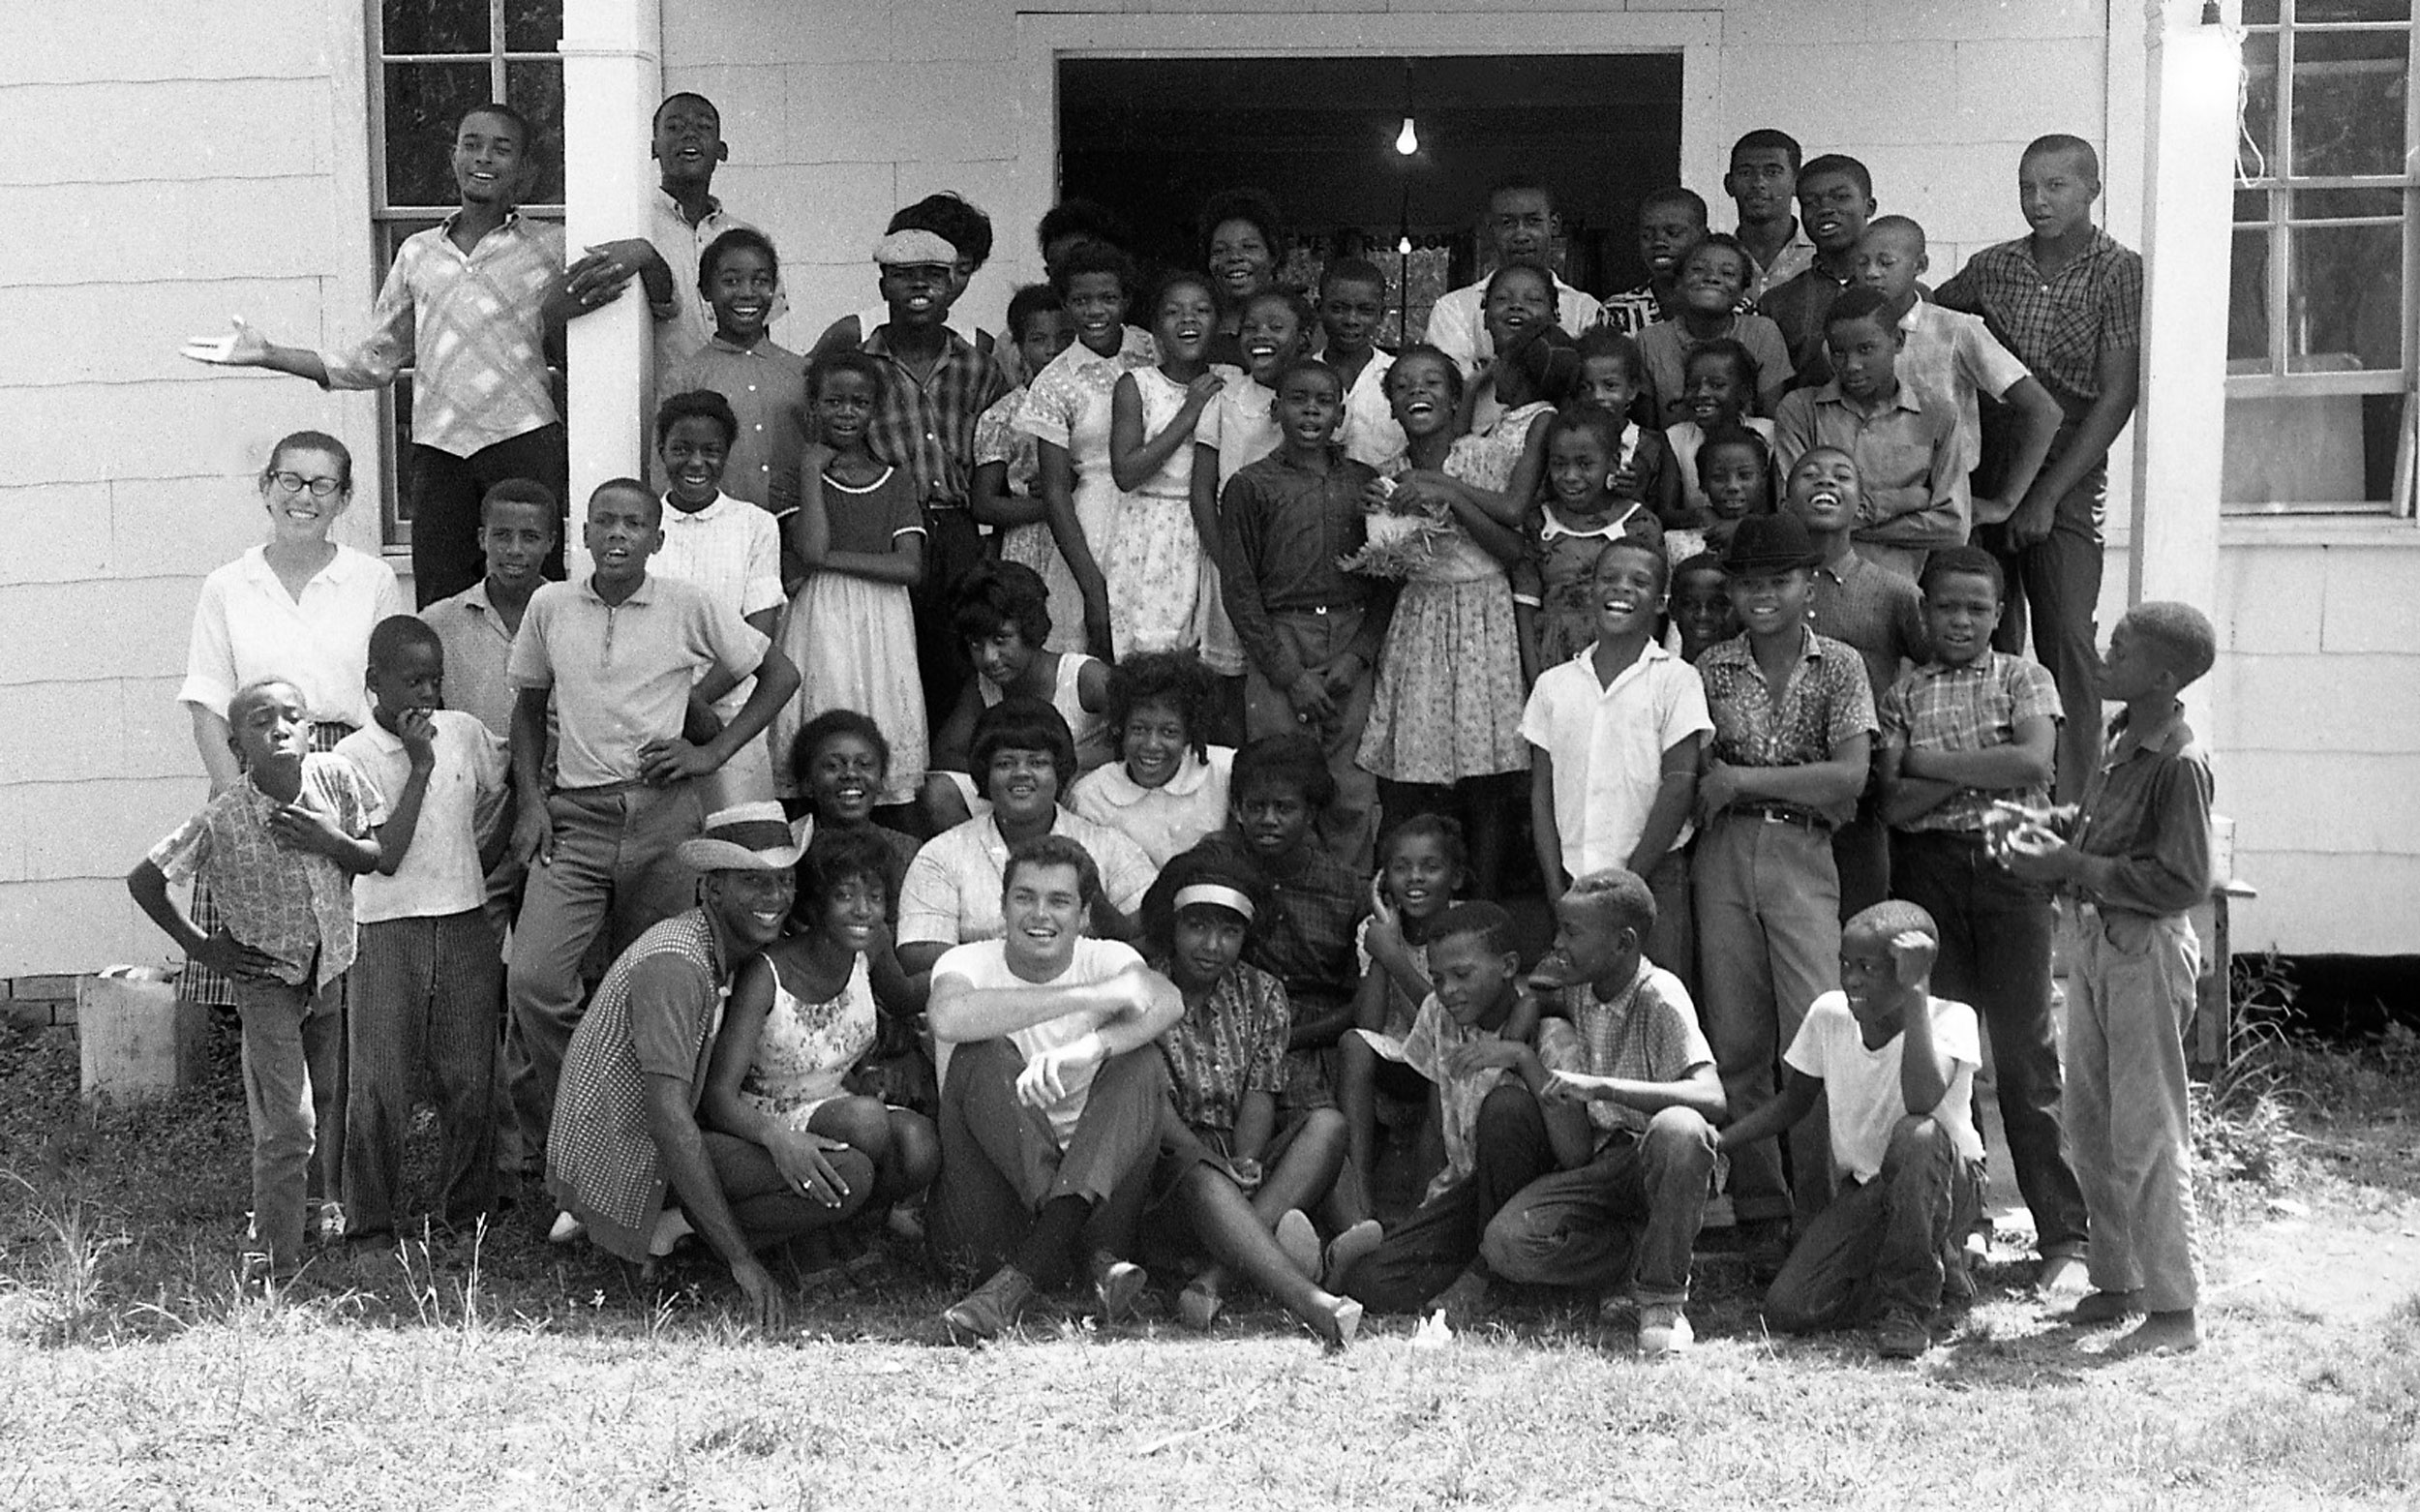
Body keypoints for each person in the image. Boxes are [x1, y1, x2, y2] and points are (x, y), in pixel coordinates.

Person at [182, 104, 643, 602]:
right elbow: (372, 361)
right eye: (472, 144)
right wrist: (268, 353)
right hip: (441, 453)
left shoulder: (553, 247)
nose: (483, 157)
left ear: (525, 169)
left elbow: (625, 273)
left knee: (535, 598)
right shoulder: (418, 253)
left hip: (523, 442)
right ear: (454, 158)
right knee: (442, 602)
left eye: (501, 148)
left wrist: (643, 250)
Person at [503, 479, 802, 1164]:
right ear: (582, 535)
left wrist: (710, 752)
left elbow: (779, 674)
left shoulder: (687, 605)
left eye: (633, 524)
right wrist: (528, 800)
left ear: (656, 540)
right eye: (604, 522)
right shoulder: (551, 607)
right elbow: (526, 710)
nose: (617, 535)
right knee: (537, 983)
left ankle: (654, 1156)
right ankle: (588, 1136)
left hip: (665, 819)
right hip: (575, 819)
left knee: (661, 994)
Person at [545, 806, 876, 1327]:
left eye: (784, 882)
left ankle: (676, 1228)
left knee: (837, 1167)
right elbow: (667, 1119)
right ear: (713, 889)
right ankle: (688, 1242)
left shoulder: (731, 948)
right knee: (848, 1175)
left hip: (656, 1139)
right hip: (626, 1153)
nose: (774, 899)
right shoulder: (678, 963)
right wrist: (743, 1261)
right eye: (754, 882)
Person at [1996, 600, 2217, 1355]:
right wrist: (2051, 829)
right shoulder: (2127, 738)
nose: (2101, 649)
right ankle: (2116, 1278)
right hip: (2095, 942)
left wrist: (2072, 867)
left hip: (2145, 951)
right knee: (2089, 1119)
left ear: (2162, 676)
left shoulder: (2179, 763)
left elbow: (2184, 880)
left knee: (2148, 1129)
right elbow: (2104, 828)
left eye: (2119, 646)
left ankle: (2173, 1306)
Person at [128, 678, 388, 1283]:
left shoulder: (338, 779)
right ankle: (272, 1257)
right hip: (266, 977)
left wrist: (332, 839)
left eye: (291, 717)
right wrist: (202, 947)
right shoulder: (224, 817)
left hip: (329, 965)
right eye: (260, 720)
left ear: (308, 728)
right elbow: (145, 880)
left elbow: (373, 855)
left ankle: (326, 1210)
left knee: (329, 1097)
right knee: (289, 1122)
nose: (278, 728)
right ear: (237, 742)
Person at [1878, 547, 2089, 1290]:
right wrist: (1980, 761)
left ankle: (2065, 1237)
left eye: (1977, 608)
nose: (1961, 620)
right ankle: (1964, 1227)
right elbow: (1893, 804)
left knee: (2027, 1053)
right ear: (1924, 612)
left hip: (2013, 869)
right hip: (1930, 871)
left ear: (2000, 615)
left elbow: (2032, 765)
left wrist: (1930, 764)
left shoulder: (2025, 678)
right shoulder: (1905, 691)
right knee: (1950, 1052)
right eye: (1946, 607)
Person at [1693, 512, 1877, 1269]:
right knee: (1737, 1035)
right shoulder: (1710, 667)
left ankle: (1820, 1206)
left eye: (1778, 582)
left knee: (1815, 1028)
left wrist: (1745, 779)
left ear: (1809, 586)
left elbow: (1851, 777)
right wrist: (1762, 785)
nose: (1761, 596)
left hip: (1804, 854)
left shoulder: (1840, 665)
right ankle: (1761, 1207)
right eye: (1746, 584)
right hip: (1725, 850)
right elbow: (1701, 776)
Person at [1936, 135, 2144, 804]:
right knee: (1982, 625)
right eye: (2028, 185)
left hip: (2068, 463)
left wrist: (2047, 496)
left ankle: (2069, 805)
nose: (2038, 200)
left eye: (2056, 186)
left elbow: (2117, 395)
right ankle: (1986, 792)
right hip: (1988, 456)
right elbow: (1930, 321)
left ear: (2092, 189)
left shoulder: (2120, 272)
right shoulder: (1991, 268)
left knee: (2064, 637)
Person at [177, 432, 407, 1021]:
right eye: (290, 481)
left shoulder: (372, 580)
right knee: (267, 970)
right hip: (253, 771)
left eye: (323, 484)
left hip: (343, 772)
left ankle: (342, 1103)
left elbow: (385, 693)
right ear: (266, 488)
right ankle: (277, 1104)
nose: (305, 496)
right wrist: (241, 810)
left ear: (345, 497)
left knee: (341, 965)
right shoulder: (227, 585)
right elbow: (207, 706)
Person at [925, 835, 1183, 1339]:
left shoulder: (1107, 955)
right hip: (992, 1220)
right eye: (1024, 897)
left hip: (1096, 1198)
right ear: (1002, 906)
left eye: (1058, 900)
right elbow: (948, 1016)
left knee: (1142, 1062)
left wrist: (1090, 1047)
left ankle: (1016, 1285)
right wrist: (1082, 998)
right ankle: (1075, 1254)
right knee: (982, 1052)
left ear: (1084, 913)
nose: (1039, 913)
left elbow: (1168, 1003)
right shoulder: (966, 964)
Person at [1722, 902, 1985, 1358]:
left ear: (1912, 972)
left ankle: (1910, 1306)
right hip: (1869, 1191)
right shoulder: (1830, 1014)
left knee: (1918, 1134)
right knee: (1789, 1308)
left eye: (1869, 968)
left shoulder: (1951, 1018)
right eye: (1845, 964)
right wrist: (1722, 1142)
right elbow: (1793, 1102)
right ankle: (1933, 1266)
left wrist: (1916, 996)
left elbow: (1922, 1100)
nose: (1851, 980)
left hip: (1948, 1184)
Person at [1487, 871, 1726, 1354]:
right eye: (1560, 928)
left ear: (1624, 944)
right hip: (1605, 1160)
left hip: (1660, 1157)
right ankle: (1634, 1257)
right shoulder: (1582, 983)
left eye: (1572, 932)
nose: (1557, 942)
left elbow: (1712, 1098)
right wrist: (1531, 1004)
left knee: (1680, 1128)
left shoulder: (1660, 995)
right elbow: (1540, 987)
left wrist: (1601, 1086)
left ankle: (1661, 1303)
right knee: (1506, 1243)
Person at [1140, 847, 1367, 1346]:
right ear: (1172, 926)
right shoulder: (1141, 984)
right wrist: (1207, 1160)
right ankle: (1311, 1298)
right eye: (1197, 927)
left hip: (1236, 1156)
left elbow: (1260, 1090)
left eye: (1229, 932)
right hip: (1171, 1165)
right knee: (1201, 1179)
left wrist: (1244, 1159)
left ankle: (1216, 1278)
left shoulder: (1263, 993)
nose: (1212, 945)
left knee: (1327, 1125)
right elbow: (1150, 1102)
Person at [333, 617, 510, 1244]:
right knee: (381, 1085)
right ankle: (371, 1224)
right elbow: (386, 855)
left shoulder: (462, 733)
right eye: (411, 681)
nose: (426, 695)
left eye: (435, 680)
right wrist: (418, 765)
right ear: (373, 683)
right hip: (386, 933)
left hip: (463, 923)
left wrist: (483, 859)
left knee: (469, 1078)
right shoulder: (348, 759)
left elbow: (505, 782)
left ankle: (467, 1214)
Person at [699, 825, 939, 1279]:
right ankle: (807, 1239)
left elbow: (905, 996)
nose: (863, 910)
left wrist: (979, 967)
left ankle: (836, 1226)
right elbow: (718, 1097)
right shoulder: (766, 973)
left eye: (875, 896)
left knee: (919, 1145)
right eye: (845, 895)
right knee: (868, 1121)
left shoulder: (871, 944)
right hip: (763, 1117)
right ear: (816, 903)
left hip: (836, 1101)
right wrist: (778, 1137)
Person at [1355, 343, 1530, 899]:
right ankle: (1417, 904)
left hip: (1485, 616)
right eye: (1403, 387)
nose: (1417, 393)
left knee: (1487, 774)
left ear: (1456, 399)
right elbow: (1388, 572)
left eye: (1431, 383)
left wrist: (1445, 496)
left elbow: (1513, 547)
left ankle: (1483, 905)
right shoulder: (1387, 478)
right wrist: (1383, 518)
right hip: (1423, 621)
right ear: (1391, 407)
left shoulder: (1484, 458)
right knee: (1415, 767)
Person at [1331, 902, 1551, 1319]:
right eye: (1437, 978)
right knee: (1370, 1284)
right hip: (1464, 1192)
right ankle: (1473, 1271)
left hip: (1522, 1194)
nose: (1447, 989)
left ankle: (1491, 1275)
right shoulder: (1438, 1013)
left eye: (1462, 975)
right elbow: (1436, 1123)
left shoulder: (1546, 1026)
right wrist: (1420, 1211)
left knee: (1506, 1110)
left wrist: (1523, 1031)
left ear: (1508, 967)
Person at [1220, 358, 1387, 871]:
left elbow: (1386, 576)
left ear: (1340, 415)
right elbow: (1239, 589)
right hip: (1281, 638)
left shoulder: (1366, 484)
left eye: (1323, 402)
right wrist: (1287, 675)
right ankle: (1279, 898)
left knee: (1352, 787)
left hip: (1349, 634)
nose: (1310, 410)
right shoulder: (1250, 486)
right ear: (1276, 410)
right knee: (1279, 779)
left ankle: (1350, 903)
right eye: (1298, 399)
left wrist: (1359, 656)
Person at [1522, 538, 1709, 991]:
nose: (1620, 589)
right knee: (1580, 1010)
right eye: (1609, 578)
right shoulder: (1554, 685)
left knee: (1657, 1001)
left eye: (1639, 582)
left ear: (1661, 603)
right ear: (1591, 591)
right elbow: (1542, 792)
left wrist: (1629, 881)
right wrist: (1555, 887)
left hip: (1652, 876)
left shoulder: (1676, 680)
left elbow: (1679, 784)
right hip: (1573, 880)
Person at [841, 227, 1011, 728]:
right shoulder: (857, 368)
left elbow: (999, 455)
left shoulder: (979, 368)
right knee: (889, 657)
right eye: (904, 277)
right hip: (888, 529)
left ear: (951, 286)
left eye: (933, 277)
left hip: (958, 529)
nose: (920, 288)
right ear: (883, 287)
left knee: (958, 658)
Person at [896, 698, 1157, 981]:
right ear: (985, 774)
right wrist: (1025, 962)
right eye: (1005, 763)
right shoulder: (942, 855)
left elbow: (1156, 932)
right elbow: (917, 954)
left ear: (1060, 771)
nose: (1022, 773)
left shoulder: (1109, 847)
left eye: (1038, 762)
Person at [770, 351, 929, 811]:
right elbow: (811, 545)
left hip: (882, 620)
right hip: (820, 617)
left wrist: (827, 562)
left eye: (859, 403)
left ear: (875, 410)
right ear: (814, 407)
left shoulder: (896, 481)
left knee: (879, 706)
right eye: (833, 401)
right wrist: (809, 471)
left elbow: (908, 567)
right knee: (825, 704)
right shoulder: (793, 479)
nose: (845, 412)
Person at [1780, 443, 1930, 916]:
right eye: (1810, 474)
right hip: (1781, 784)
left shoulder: (1894, 593)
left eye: (1841, 476)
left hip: (1859, 796)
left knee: (1860, 925)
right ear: (1785, 502)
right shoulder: (1765, 588)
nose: (1826, 481)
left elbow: (1936, 670)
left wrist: (1899, 745)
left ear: (1860, 507)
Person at [1855, 216, 2065, 530]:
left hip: (1942, 505)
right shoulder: (1847, 337)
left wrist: (2003, 504)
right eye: (1862, 263)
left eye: (1886, 263)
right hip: (1868, 505)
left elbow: (2044, 411)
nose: (1871, 273)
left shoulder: (1955, 331)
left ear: (1920, 265)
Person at [1209, 734, 1369, 1123]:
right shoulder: (1213, 865)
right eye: (1256, 807)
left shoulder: (1345, 888)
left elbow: (1359, 1004)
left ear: (1310, 813)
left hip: (1313, 1036)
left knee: (1315, 1120)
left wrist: (1285, 1040)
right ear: (1237, 809)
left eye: (1284, 808)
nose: (1268, 820)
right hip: (1224, 1027)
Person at [1021, 241, 1160, 659]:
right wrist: (1091, 587)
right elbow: (1056, 491)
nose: (1095, 311)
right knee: (1096, 655)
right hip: (1095, 528)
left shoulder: (1152, 350)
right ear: (1064, 304)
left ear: (1127, 300)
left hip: (1159, 519)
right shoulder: (1055, 381)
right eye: (1081, 301)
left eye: (1108, 299)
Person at [1773, 287, 1967, 584]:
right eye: (1839, 353)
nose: (1851, 366)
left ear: (1898, 341)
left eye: (1866, 349)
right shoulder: (1801, 410)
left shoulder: (1937, 415)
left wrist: (1837, 522)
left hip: (1898, 588)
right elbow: (1793, 517)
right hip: (1816, 584)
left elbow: (1952, 526)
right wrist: (1901, 501)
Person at [650, 388, 787, 806]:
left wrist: (697, 700)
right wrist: (677, 707)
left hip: (733, 719)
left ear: (727, 453)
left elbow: (759, 631)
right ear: (661, 451)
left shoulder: (755, 525)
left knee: (738, 843)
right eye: (681, 449)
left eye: (711, 450)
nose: (695, 462)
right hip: (653, 716)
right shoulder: (642, 523)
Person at [1336, 815, 1468, 1207]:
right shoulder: (1376, 930)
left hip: (1454, 1057)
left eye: (1431, 867)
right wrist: (1383, 940)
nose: (1415, 878)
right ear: (1383, 878)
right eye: (1400, 868)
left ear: (1455, 877)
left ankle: (1420, 1210)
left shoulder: (1468, 928)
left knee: (1440, 1072)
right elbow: (1368, 1023)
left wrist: (1393, 957)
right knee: (1353, 1044)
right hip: (1402, 1058)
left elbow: (1454, 1018)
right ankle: (1360, 1195)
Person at [924, 560, 1115, 828]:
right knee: (938, 791)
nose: (989, 657)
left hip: (1078, 801)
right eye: (976, 644)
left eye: (1001, 640)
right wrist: (1008, 769)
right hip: (1015, 797)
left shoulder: (1084, 677)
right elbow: (946, 754)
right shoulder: (984, 687)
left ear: (1031, 630)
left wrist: (1067, 761)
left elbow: (1137, 738)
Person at [1106, 270, 1228, 657]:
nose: (1188, 319)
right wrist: (1190, 411)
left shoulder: (1231, 382)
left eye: (1202, 310)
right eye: (1174, 312)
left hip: (1208, 529)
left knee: (1202, 660)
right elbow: (1125, 473)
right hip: (1150, 535)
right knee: (1148, 657)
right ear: (1156, 326)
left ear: (1219, 322)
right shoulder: (1137, 384)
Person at [658, 227, 808, 525]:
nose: (747, 292)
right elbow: (664, 478)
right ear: (705, 290)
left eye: (761, 281)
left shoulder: (802, 373)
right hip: (718, 537)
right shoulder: (686, 379)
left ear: (774, 289)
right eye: (731, 281)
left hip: (794, 537)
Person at [972, 284, 1086, 650]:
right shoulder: (1003, 415)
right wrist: (1053, 501)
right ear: (1018, 346)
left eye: (1065, 337)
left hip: (1090, 530)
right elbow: (984, 503)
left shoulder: (1094, 403)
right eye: (1039, 339)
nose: (1053, 349)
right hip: (1029, 544)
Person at [1515, 406, 1662, 680]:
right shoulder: (1539, 523)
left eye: (1585, 464)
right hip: (1553, 665)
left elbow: (1652, 610)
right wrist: (1537, 680)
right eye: (1559, 464)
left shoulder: (1639, 525)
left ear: (1614, 462)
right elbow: (1525, 607)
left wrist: (1637, 675)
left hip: (1622, 665)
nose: (1570, 476)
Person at [647, 93, 776, 400]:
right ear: (653, 148)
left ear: (722, 150)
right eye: (675, 128)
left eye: (703, 127)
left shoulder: (746, 236)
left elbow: (762, 335)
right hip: (668, 409)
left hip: (739, 403)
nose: (689, 135)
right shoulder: (639, 227)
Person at [1069, 650, 1235, 868]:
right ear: (1121, 727)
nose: (1152, 745)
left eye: (1169, 732)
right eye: (1139, 729)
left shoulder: (1224, 771)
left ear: (1189, 733)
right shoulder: (1090, 798)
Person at [1424, 179, 1604, 379]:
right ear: (1490, 228)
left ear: (1554, 225)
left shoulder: (1584, 309)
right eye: (1507, 223)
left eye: (1533, 221)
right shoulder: (1453, 309)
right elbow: (1448, 390)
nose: (1521, 235)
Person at [420, 479, 556, 741]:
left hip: (552, 776)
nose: (515, 550)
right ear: (482, 538)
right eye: (502, 535)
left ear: (550, 542)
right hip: (471, 776)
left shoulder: (570, 617)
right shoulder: (438, 623)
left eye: (530, 538)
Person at [1759, 154, 1889, 389]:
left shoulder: (1903, 293)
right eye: (1811, 202)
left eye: (1840, 197)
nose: (1826, 209)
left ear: (1869, 207)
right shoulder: (1777, 302)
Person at [817, 194, 999, 361]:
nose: (945, 280)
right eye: (929, 269)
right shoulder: (856, 332)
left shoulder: (978, 345)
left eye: (962, 270)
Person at [1637, 235, 1794, 425]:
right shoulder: (1650, 341)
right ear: (1678, 283)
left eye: (1728, 273)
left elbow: (1770, 423)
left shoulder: (1762, 333)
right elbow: (1647, 432)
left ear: (1742, 292)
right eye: (1698, 270)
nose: (1711, 278)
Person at [787, 710, 923, 916]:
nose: (850, 773)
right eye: (833, 766)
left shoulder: (907, 852)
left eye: (864, 764)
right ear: (807, 783)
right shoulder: (790, 852)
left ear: (881, 781)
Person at [1655, 340, 1776, 540]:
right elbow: (1665, 512)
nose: (1702, 393)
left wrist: (1740, 526)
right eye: (1692, 386)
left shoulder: (1768, 433)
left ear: (1744, 392)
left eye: (1717, 385)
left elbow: (1775, 506)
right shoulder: (1676, 438)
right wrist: (1698, 515)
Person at [1318, 257, 1407, 471]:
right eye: (1339, 308)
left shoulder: (1401, 378)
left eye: (1365, 310)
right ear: (1319, 309)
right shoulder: (1301, 377)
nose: (1351, 320)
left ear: (1381, 314)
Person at [1596, 187, 1711, 338]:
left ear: (1704, 238)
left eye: (1673, 233)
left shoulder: (1734, 308)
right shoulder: (1617, 312)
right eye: (1647, 235)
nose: (1658, 242)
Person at [1666, 423, 1774, 568]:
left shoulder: (1779, 536)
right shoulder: (1677, 545)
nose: (1733, 486)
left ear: (1763, 478)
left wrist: (1745, 529)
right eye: (1719, 477)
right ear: (1702, 482)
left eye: (1745, 476)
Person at [1724, 129, 1815, 300]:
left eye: (1772, 172)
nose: (1758, 183)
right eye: (1745, 172)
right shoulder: (1714, 260)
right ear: (1729, 184)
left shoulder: (1819, 257)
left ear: (1797, 183)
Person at [1200, 188, 1288, 365]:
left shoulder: (1301, 325)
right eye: (1220, 250)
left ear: (1274, 255)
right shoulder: (1198, 329)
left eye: (1249, 247)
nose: (1234, 257)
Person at [1669, 551, 1739, 664]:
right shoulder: (1660, 678)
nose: (1703, 615)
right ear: (1672, 609)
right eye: (1690, 604)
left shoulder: (1754, 679)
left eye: (1717, 605)